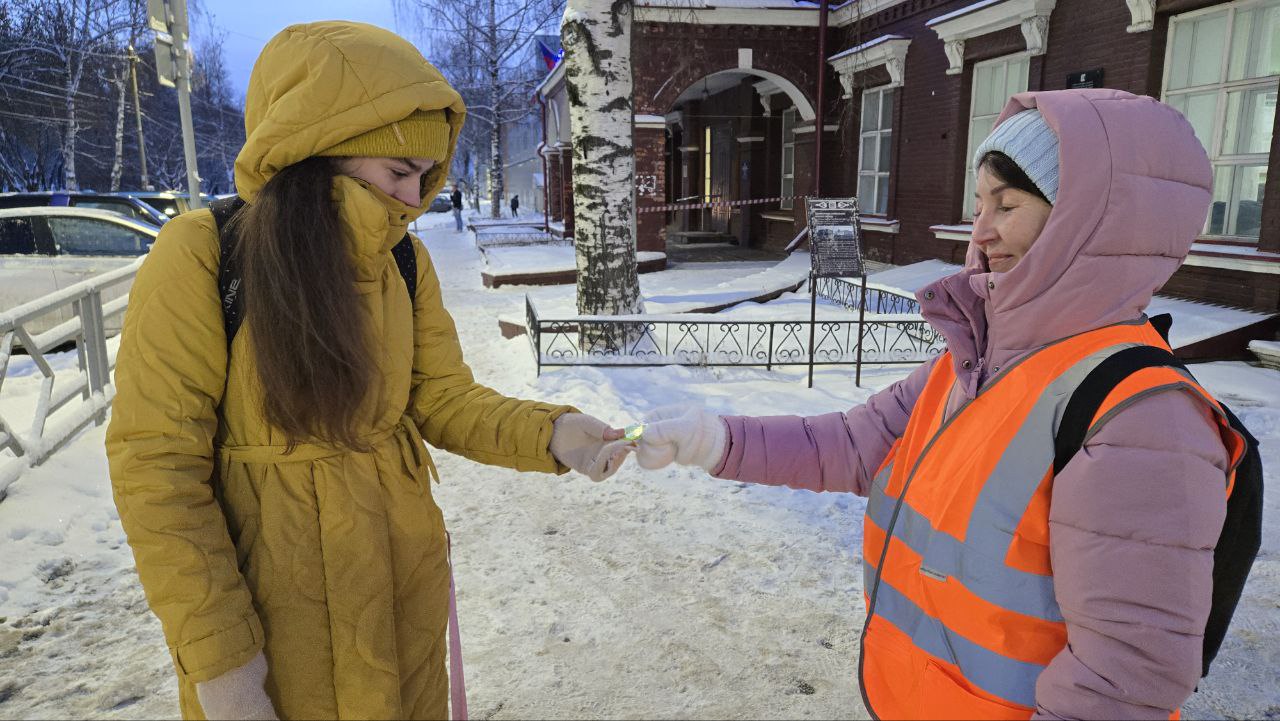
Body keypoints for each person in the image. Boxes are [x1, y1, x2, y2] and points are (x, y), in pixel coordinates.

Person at [633, 89, 1246, 720]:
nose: (981, 231)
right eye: (978, 205)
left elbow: (1125, 677)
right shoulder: (976, 362)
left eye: (1007, 205)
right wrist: (712, 439)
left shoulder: (1142, 420)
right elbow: (853, 444)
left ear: (1087, 221)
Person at [105, 21, 631, 721]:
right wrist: (223, 666)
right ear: (316, 157)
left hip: (402, 603)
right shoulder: (204, 256)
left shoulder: (403, 262)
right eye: (397, 173)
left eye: (425, 177)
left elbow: (443, 397)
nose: (414, 200)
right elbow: (158, 468)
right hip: (275, 639)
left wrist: (553, 433)